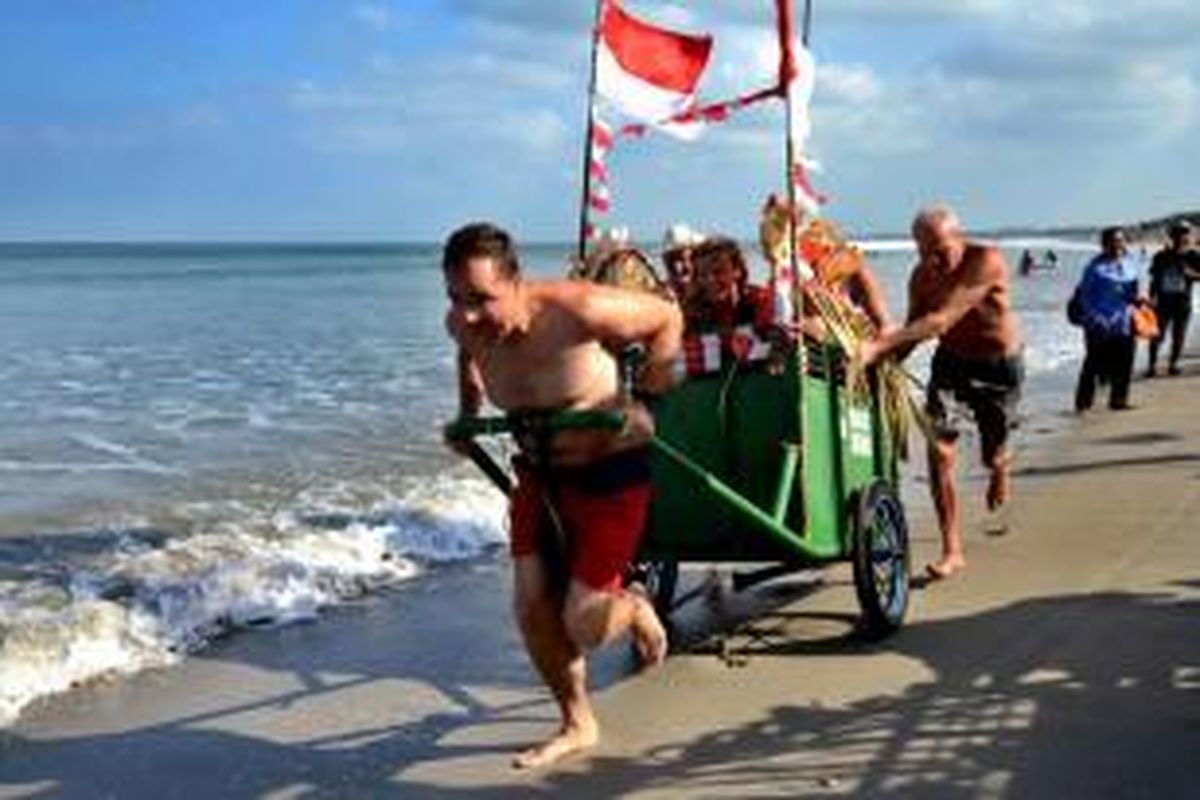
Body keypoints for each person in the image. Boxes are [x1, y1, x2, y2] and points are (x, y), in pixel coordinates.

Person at [442, 222, 683, 769]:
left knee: (584, 624)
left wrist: (646, 403)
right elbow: (467, 353)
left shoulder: (579, 310)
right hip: (538, 474)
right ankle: (578, 722)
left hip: (609, 473)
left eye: (481, 298)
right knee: (531, 608)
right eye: (455, 298)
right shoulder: (464, 324)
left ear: (517, 282)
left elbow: (667, 319)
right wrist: (466, 415)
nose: (467, 314)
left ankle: (636, 606)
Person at [859, 205, 1023, 581]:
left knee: (992, 454)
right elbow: (917, 326)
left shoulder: (986, 261)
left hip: (998, 366)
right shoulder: (922, 277)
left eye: (940, 250)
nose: (932, 260)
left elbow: (941, 321)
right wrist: (885, 365)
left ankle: (1000, 464)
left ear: (960, 240)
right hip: (951, 364)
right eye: (922, 251)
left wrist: (878, 346)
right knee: (940, 451)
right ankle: (952, 548)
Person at [1071, 227, 1142, 410]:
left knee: (1125, 362)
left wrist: (1140, 301)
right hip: (1099, 323)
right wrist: (1094, 318)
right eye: (1112, 241)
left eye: (1120, 240)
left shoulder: (1130, 264)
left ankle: (1119, 400)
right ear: (1104, 245)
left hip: (1124, 321)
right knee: (1093, 365)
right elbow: (1085, 297)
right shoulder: (1094, 268)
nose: (1117, 245)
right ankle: (1083, 404)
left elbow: (1132, 293)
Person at [1147, 220, 1199, 377]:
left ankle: (1173, 364)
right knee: (1157, 335)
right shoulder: (1161, 256)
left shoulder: (1193, 256)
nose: (1181, 236)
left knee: (1179, 335)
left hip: (1183, 301)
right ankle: (1152, 365)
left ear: (1189, 236)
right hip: (1163, 301)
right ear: (1172, 236)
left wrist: (1190, 274)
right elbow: (1154, 278)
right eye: (1178, 233)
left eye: (1184, 233)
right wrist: (1151, 298)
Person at [660, 223, 705, 304]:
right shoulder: (664, 293)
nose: (678, 267)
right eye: (673, 260)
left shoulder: (709, 291)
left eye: (690, 258)